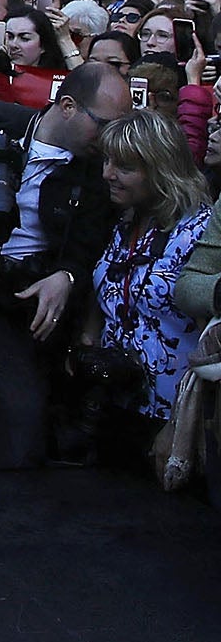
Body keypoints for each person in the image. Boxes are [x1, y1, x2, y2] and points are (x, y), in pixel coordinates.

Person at [0, 62, 133, 468]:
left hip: (15, 305)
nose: (110, 141)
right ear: (67, 106)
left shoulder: (96, 174)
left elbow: (86, 250)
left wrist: (65, 277)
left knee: (19, 413)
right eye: (103, 125)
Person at [77, 109, 211, 469]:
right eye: (107, 161)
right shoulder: (127, 219)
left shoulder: (199, 234)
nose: (107, 174)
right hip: (115, 407)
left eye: (124, 167)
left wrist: (178, 426)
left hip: (171, 421)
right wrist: (89, 338)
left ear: (160, 169)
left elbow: (209, 342)